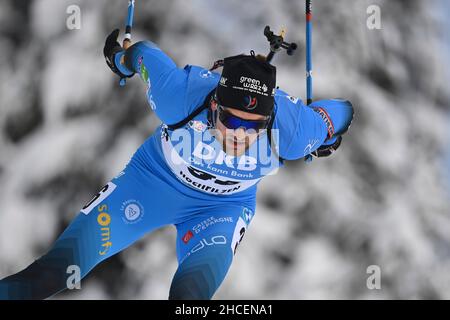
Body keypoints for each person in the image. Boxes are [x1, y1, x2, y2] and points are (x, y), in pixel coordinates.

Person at [0, 29, 354, 300]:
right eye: (232, 122)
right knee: (55, 272)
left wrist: (326, 135)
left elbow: (339, 111)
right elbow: (144, 56)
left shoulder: (290, 131)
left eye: (253, 127)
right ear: (214, 107)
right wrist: (120, 57)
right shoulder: (180, 96)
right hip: (150, 185)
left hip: (220, 209)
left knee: (190, 297)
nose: (240, 136)